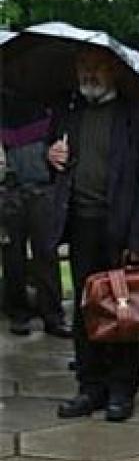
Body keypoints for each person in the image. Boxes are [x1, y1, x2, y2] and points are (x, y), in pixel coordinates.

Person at [47, 47, 139, 422]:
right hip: (81, 225)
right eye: (82, 67)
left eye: (96, 67)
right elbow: (57, 169)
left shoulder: (138, 117)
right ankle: (90, 387)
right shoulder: (69, 113)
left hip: (123, 229)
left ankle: (121, 389)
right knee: (85, 309)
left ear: (113, 71)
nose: (89, 74)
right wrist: (54, 158)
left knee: (125, 310)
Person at [1, 98, 70, 338]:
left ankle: (53, 315)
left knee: (46, 255)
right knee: (12, 258)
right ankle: (18, 315)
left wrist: (52, 152)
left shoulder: (51, 106)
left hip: (42, 190)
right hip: (8, 192)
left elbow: (62, 148)